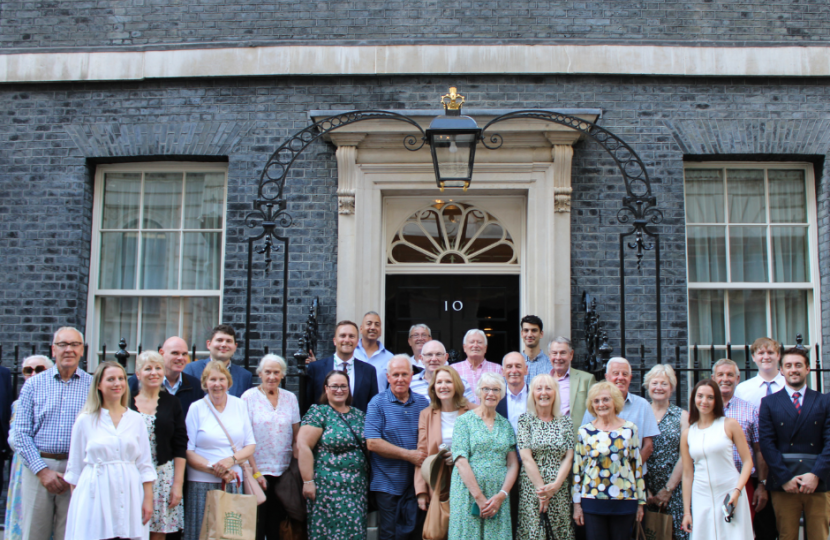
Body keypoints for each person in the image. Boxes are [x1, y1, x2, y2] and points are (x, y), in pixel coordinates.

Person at [64, 361, 157, 540]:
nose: (117, 384)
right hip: (95, 491)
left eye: (121, 378)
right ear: (99, 384)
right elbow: (74, 469)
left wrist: (147, 500)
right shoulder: (85, 421)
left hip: (129, 491)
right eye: (111, 379)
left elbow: (145, 464)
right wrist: (79, 507)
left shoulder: (136, 420)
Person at [15, 326, 93, 540]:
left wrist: (79, 468)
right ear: (53, 350)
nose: (69, 349)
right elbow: (20, 433)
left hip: (77, 470)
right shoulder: (33, 385)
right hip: (39, 467)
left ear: (82, 350)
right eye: (63, 344)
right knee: (34, 533)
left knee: (71, 534)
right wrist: (42, 471)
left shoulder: (93, 386)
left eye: (74, 344)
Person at [758, 347, 830, 540]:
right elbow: (766, 443)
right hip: (784, 483)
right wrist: (784, 478)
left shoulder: (824, 401)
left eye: (798, 365)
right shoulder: (769, 403)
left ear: (807, 369)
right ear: (781, 370)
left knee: (819, 536)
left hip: (818, 482)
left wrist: (816, 475)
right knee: (786, 536)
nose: (793, 369)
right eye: (788, 365)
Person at [184, 360, 256, 540]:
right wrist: (214, 469)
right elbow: (188, 450)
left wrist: (230, 461)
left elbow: (250, 445)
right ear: (205, 383)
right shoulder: (196, 408)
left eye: (221, 379)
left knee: (230, 535)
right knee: (202, 533)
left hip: (232, 479)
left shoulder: (239, 405)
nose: (217, 384)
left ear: (228, 382)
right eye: (212, 380)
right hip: (201, 482)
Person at [365, 355, 430, 540]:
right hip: (387, 484)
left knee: (416, 533)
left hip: (415, 485)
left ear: (411, 376)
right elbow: (372, 442)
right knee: (391, 534)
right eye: (395, 375)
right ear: (388, 377)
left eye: (404, 374)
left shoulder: (422, 403)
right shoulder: (377, 403)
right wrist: (408, 455)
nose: (400, 379)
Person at [298, 370, 368, 540]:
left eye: (343, 386)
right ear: (326, 389)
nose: (339, 390)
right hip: (326, 489)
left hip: (356, 490)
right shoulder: (319, 413)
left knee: (354, 533)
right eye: (334, 386)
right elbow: (303, 446)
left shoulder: (359, 415)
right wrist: (308, 482)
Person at [448, 372, 519, 540]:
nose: (491, 393)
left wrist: (502, 494)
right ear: (478, 392)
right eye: (486, 389)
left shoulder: (506, 425)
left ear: (501, 395)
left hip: (497, 498)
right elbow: (460, 461)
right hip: (467, 494)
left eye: (496, 389)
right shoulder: (464, 421)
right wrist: (479, 498)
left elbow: (512, 464)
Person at [680, 379, 753, 540]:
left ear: (716, 401)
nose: (704, 401)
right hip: (701, 495)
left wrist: (737, 491)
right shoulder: (688, 434)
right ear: (694, 399)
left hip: (730, 492)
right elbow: (687, 474)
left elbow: (748, 461)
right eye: (700, 396)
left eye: (710, 397)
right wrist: (687, 512)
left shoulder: (729, 424)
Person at [573, 381, 645, 540]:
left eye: (606, 399)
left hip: (624, 499)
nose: (601, 404)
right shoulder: (585, 432)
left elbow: (636, 466)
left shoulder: (629, 429)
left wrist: (640, 501)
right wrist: (576, 504)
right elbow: (578, 469)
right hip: (593, 500)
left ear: (615, 402)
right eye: (596, 401)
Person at [242, 354, 301, 540]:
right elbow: (245, 438)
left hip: (284, 473)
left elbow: (296, 435)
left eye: (276, 372)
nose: (272, 377)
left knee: (278, 525)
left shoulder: (290, 398)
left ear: (282, 375)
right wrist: (256, 472)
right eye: (267, 372)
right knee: (257, 524)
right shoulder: (248, 398)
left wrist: (295, 469)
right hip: (258, 470)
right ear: (260, 373)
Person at [130, 351, 187, 539]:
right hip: (132, 474)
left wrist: (177, 485)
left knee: (157, 532)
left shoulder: (173, 403)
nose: (153, 372)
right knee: (130, 528)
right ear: (138, 373)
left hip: (162, 476)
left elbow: (180, 446)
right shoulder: (126, 402)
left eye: (158, 368)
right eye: (148, 368)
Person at [733, 337, 783, 539]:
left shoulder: (788, 385)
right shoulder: (743, 389)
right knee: (759, 523)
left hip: (783, 461)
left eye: (770, 352)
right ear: (753, 357)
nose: (766, 357)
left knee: (783, 522)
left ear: (778, 355)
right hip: (756, 463)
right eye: (761, 353)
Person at [517, 374, 575, 540]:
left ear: (555, 393)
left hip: (559, 488)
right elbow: (526, 457)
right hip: (532, 489)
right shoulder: (525, 420)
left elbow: (568, 457)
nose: (544, 393)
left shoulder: (566, 422)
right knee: (535, 531)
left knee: (559, 531)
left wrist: (555, 486)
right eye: (539, 388)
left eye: (548, 388)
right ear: (532, 393)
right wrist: (543, 492)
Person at [712, 358, 769, 525]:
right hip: (712, 482)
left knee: (742, 529)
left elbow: (759, 450)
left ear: (737, 379)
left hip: (743, 482)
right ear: (713, 378)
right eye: (720, 374)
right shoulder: (703, 409)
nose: (725, 379)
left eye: (730, 375)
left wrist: (761, 485)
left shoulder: (750, 409)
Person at [4, 355, 53, 540]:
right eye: (28, 370)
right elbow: (14, 439)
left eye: (39, 369)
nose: (33, 374)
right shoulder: (18, 404)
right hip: (24, 465)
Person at [414, 365, 472, 510]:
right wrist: (421, 490)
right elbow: (422, 453)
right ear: (433, 387)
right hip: (439, 483)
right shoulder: (426, 414)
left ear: (457, 385)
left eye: (448, 382)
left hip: (470, 482)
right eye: (439, 382)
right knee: (440, 531)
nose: (443, 386)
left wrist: (460, 455)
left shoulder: (474, 411)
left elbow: (482, 449)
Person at [581, 357, 659, 463]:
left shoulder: (643, 405)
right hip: (599, 473)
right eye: (616, 373)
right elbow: (584, 441)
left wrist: (629, 471)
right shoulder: (597, 406)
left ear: (630, 378)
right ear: (607, 377)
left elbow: (648, 446)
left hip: (632, 475)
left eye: (625, 374)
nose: (620, 378)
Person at [643, 364, 689, 540]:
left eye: (664, 384)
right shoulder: (641, 412)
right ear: (648, 386)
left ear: (672, 388)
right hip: (646, 491)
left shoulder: (682, 416)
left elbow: (685, 455)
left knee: (676, 535)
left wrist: (668, 489)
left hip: (674, 490)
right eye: (655, 383)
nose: (659, 388)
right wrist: (645, 490)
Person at [306, 320, 379, 413]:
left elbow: (373, 407)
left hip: (358, 426)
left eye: (351, 336)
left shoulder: (369, 371)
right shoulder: (316, 368)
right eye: (342, 336)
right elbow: (308, 404)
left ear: (357, 342)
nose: (347, 340)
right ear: (335, 341)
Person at [129, 336, 205, 417]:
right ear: (161, 353)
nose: (180, 358)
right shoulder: (136, 382)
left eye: (184, 354)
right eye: (175, 353)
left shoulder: (195, 386)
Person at [183, 325, 253, 398]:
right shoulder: (191, 370)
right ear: (208, 344)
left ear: (235, 346)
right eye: (219, 340)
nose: (224, 344)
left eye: (228, 341)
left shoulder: (245, 376)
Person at [549, 337, 596, 432]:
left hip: (576, 439)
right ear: (549, 355)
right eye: (554, 353)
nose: (558, 357)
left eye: (563, 353)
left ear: (571, 355)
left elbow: (595, 411)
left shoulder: (586, 379)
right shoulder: (543, 381)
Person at [410, 340, 476, 403]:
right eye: (429, 355)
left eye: (438, 354)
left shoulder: (461, 382)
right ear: (421, 358)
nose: (434, 359)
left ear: (446, 358)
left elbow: (473, 412)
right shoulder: (410, 383)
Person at [453, 329, 503, 404]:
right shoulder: (453, 369)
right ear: (464, 348)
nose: (475, 345)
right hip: (461, 414)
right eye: (472, 342)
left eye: (479, 342)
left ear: (485, 348)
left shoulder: (497, 369)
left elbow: (502, 396)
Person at [353, 311, 395, 391]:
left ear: (380, 330)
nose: (373, 327)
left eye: (377, 324)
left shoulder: (390, 358)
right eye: (369, 323)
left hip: (379, 403)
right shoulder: (351, 353)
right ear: (361, 329)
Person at [496, 352, 528, 434]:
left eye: (518, 366)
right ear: (503, 372)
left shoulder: (536, 396)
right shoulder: (496, 398)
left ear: (526, 370)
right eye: (509, 367)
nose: (514, 370)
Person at [520, 315, 552, 383]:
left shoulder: (551, 365)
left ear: (541, 334)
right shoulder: (513, 365)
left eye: (534, 330)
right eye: (526, 330)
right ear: (522, 334)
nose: (529, 335)